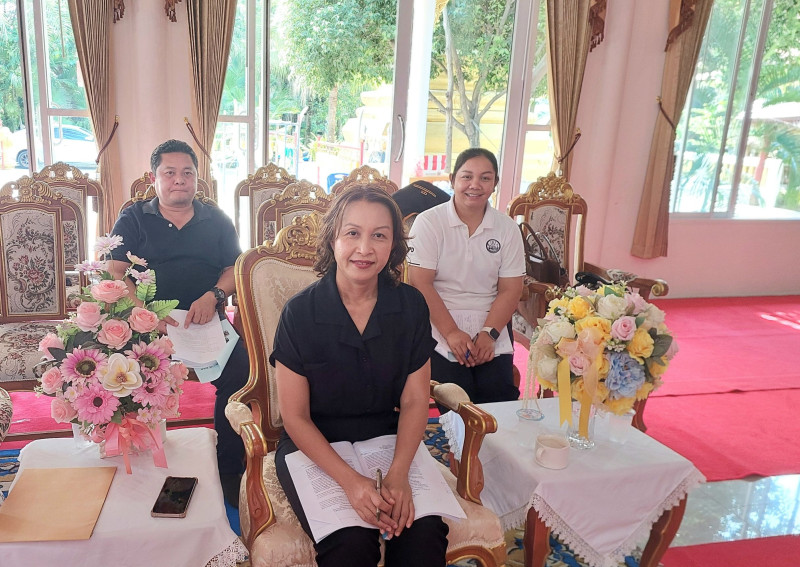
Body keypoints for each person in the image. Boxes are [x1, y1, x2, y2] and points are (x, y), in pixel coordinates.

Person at [272, 185, 448, 567]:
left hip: (387, 438)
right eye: (352, 233)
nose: (364, 249)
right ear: (332, 239)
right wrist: (351, 483)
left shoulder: (411, 306)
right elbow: (295, 417)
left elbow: (415, 400)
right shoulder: (299, 314)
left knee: (423, 533)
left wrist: (399, 474)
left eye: (379, 236)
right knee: (350, 544)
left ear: (394, 245)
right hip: (314, 444)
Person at [108, 139, 246, 506]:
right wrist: (146, 315)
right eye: (169, 173)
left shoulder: (216, 219)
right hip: (149, 327)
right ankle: (136, 464)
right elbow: (115, 272)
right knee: (124, 377)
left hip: (205, 322)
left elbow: (235, 268)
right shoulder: (135, 218)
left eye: (187, 173)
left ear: (198, 178)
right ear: (154, 178)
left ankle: (228, 467)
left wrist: (214, 295)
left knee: (242, 372)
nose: (179, 180)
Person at [407, 148, 524, 404]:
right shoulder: (429, 222)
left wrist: (489, 334)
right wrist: (451, 332)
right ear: (452, 180)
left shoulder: (507, 229)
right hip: (439, 321)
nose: (475, 185)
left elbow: (511, 289)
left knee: (499, 397)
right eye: (467, 176)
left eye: (485, 178)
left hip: (490, 321)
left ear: (495, 183)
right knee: (456, 398)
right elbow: (420, 283)